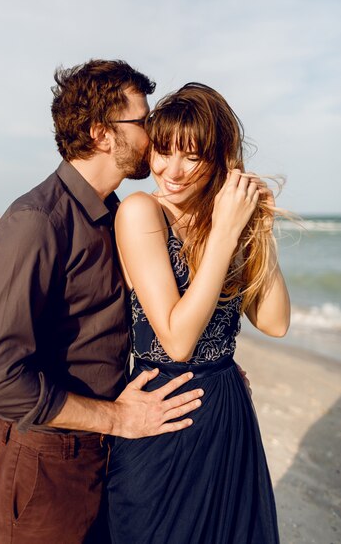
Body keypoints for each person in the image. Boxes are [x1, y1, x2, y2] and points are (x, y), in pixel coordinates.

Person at [0, 61, 205, 544]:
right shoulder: (36, 223)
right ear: (101, 134)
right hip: (43, 463)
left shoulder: (116, 215)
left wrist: (211, 364)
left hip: (105, 454)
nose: (154, 133)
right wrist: (117, 418)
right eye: (143, 121)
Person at [107, 82, 291, 544]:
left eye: (191, 156)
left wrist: (256, 229)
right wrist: (226, 234)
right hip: (162, 412)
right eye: (164, 151)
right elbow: (177, 340)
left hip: (227, 412)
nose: (171, 170)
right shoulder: (140, 211)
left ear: (220, 159)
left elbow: (275, 322)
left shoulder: (225, 221)